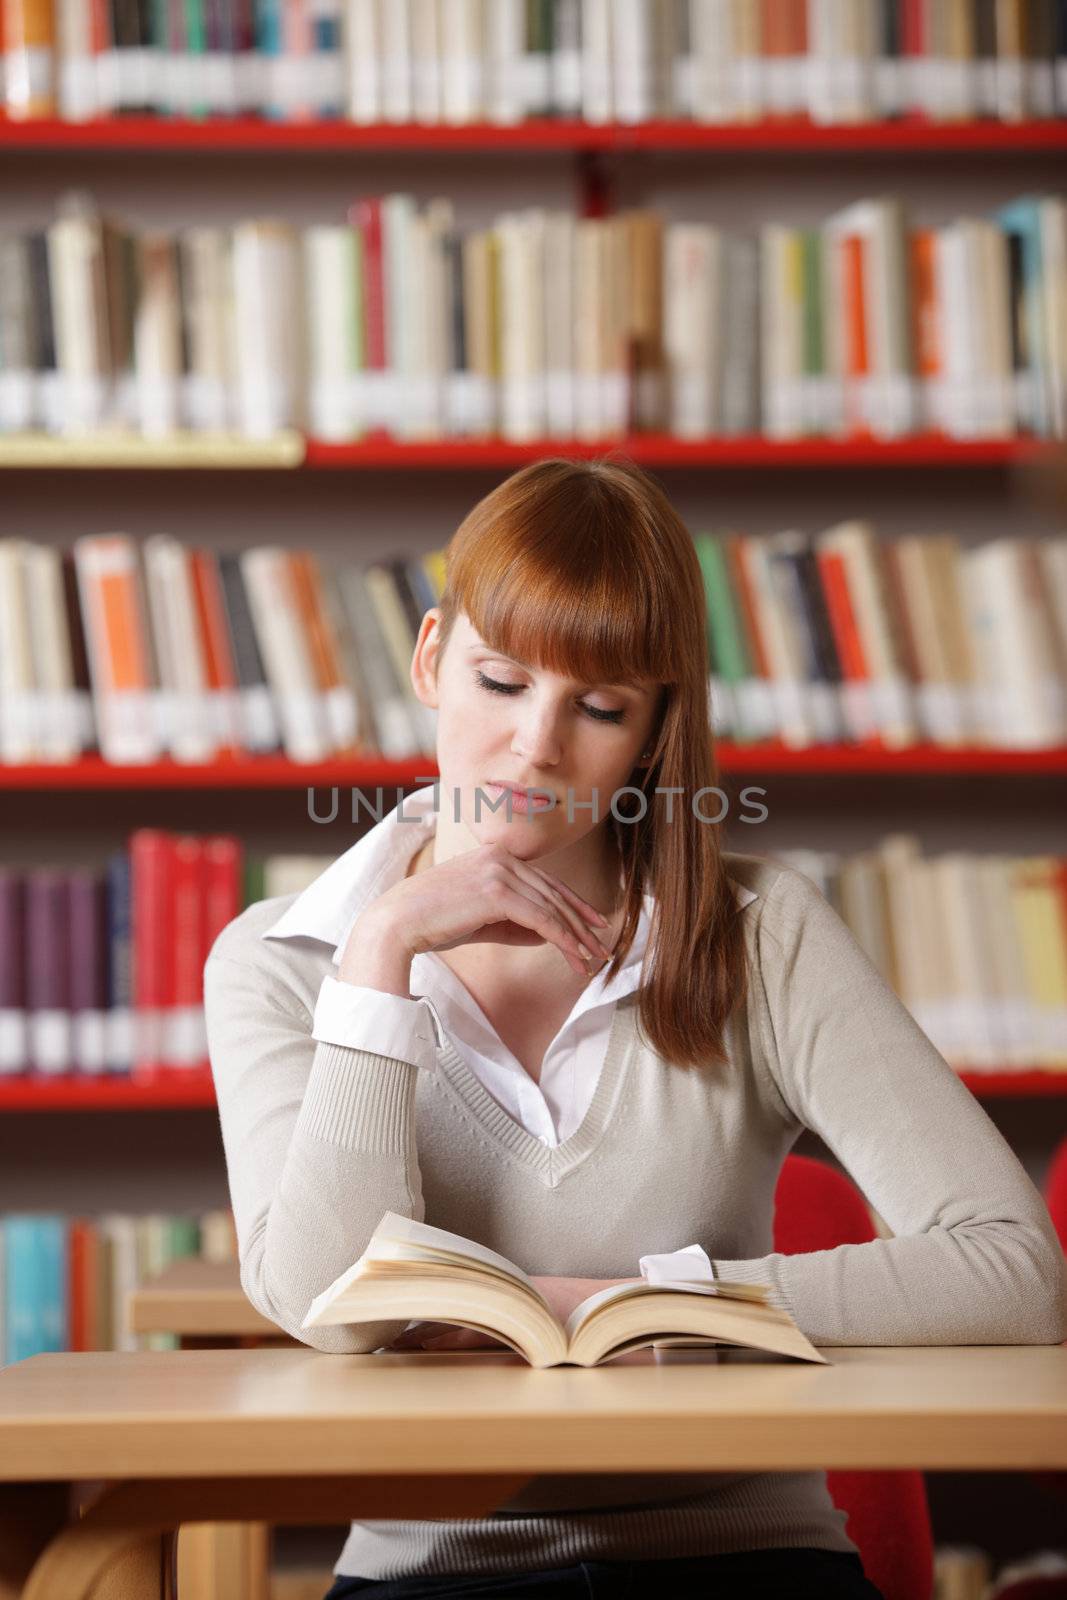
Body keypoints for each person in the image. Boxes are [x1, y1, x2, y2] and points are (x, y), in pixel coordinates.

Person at [204, 458, 1067, 1600]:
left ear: (655, 730)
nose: (535, 746)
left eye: (599, 706)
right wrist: (379, 960)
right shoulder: (281, 959)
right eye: (499, 680)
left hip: (743, 1560)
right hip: (432, 1572)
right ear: (427, 658)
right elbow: (327, 1307)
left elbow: (1012, 1271)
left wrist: (658, 1304)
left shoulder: (757, 934)